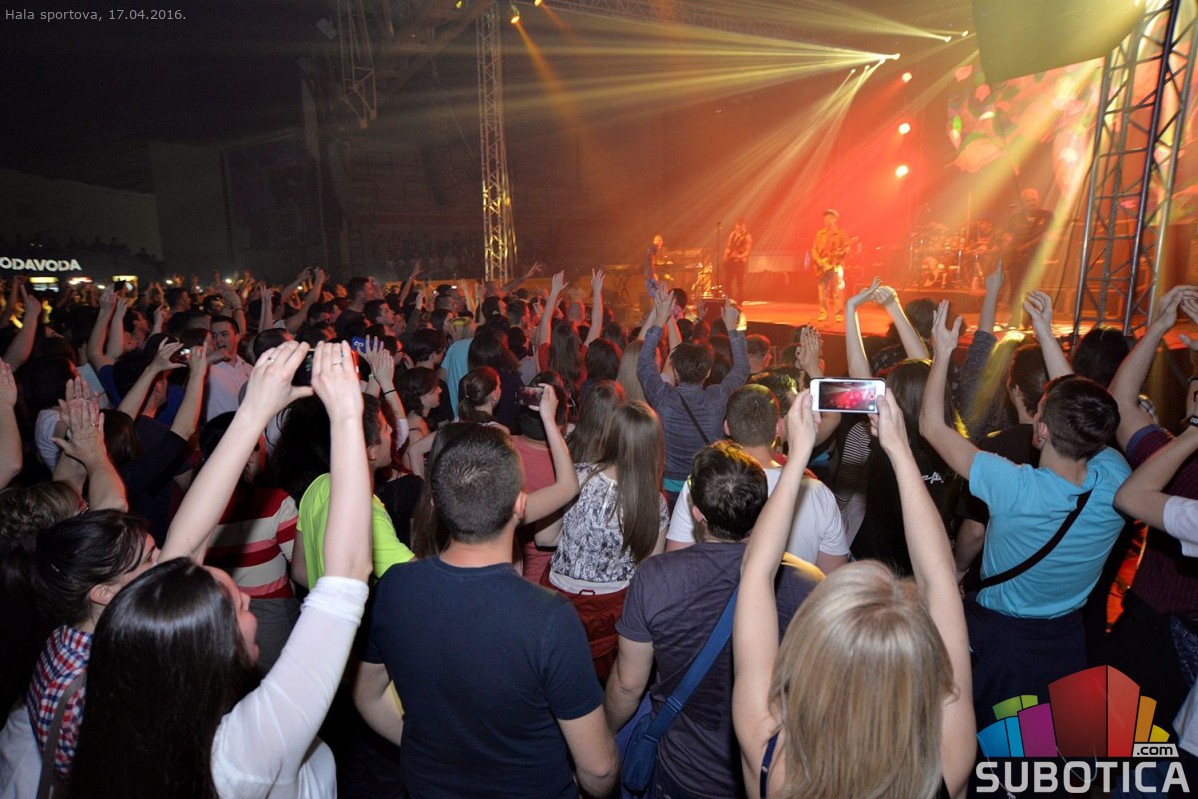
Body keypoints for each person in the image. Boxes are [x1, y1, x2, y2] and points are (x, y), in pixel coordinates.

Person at [68, 340, 375, 798]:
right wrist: (348, 415)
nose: (246, 596)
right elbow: (347, 572)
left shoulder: (136, 704)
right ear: (215, 650)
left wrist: (252, 413)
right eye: (236, 606)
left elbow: (186, 544)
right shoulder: (250, 748)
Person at [352, 423, 618, 798]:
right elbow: (600, 768)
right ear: (521, 505)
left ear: (435, 504)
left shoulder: (394, 588)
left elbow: (367, 695)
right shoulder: (550, 618)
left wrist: (429, 752)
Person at [733, 390, 974, 799]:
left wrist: (797, 455)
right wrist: (900, 452)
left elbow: (755, 571)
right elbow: (939, 581)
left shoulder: (771, 759)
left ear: (807, 658)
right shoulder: (949, 761)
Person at [919, 297, 1128, 725]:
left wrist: (942, 353)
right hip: (1066, 639)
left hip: (1004, 642)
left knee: (993, 741)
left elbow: (931, 427)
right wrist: (1046, 333)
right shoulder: (1115, 477)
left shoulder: (1013, 486)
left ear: (1042, 430)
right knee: (1042, 742)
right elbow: (1081, 403)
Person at [606, 440, 822, 798]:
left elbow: (628, 685)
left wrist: (607, 732)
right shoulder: (809, 583)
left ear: (696, 513)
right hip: (771, 775)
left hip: (682, 772)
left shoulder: (655, 578)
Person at [535, 401, 669, 680]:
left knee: (552, 677)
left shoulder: (575, 476)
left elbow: (543, 537)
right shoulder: (655, 502)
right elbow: (647, 572)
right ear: (653, 446)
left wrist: (579, 539)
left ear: (611, 435)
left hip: (558, 599)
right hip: (611, 610)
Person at [666, 384, 849, 574]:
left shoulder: (704, 483)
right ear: (778, 427)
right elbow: (834, 577)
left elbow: (675, 563)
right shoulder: (817, 492)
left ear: (727, 426)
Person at [637, 290, 748, 510]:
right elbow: (742, 369)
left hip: (668, 489)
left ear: (675, 371)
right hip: (705, 486)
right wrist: (732, 328)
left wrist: (659, 321)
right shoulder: (717, 399)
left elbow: (643, 365)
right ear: (708, 372)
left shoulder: (663, 398)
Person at [1001, 188, 1053, 323]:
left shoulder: (1046, 216)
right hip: (1015, 257)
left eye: (1034, 200)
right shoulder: (1016, 217)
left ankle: (1030, 319)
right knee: (1015, 288)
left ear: (1038, 200)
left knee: (1031, 288)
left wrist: (1050, 237)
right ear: (1022, 202)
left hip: (1034, 257)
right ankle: (1015, 317)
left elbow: (1053, 233)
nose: (1031, 203)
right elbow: (1008, 235)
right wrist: (1007, 244)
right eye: (1028, 201)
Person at [810, 209, 851, 323]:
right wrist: (818, 261)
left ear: (835, 219)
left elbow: (847, 246)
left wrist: (842, 252)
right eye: (825, 217)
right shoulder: (820, 234)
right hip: (822, 266)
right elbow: (814, 249)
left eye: (829, 217)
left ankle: (839, 314)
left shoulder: (841, 233)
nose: (826, 219)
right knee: (822, 291)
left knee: (838, 290)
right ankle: (823, 313)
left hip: (836, 265)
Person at [723, 217, 752, 301]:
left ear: (744, 226)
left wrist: (739, 257)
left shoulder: (747, 236)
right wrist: (725, 255)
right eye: (737, 225)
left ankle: (739, 300)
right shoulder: (733, 234)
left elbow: (747, 251)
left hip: (740, 262)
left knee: (739, 282)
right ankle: (729, 299)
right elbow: (728, 246)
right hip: (731, 260)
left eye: (741, 225)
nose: (739, 227)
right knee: (727, 281)